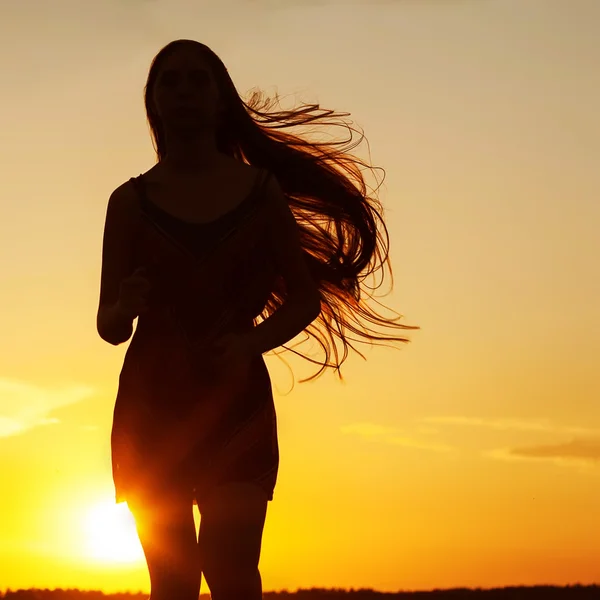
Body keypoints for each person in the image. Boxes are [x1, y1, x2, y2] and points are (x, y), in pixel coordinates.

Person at [96, 39, 417, 600]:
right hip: (152, 406)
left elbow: (304, 298)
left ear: (221, 100)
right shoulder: (128, 202)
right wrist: (126, 303)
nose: (185, 91)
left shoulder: (259, 192)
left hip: (235, 402)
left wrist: (253, 343)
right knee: (172, 580)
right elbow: (109, 324)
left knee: (231, 569)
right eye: (171, 81)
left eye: (200, 79)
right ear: (154, 103)